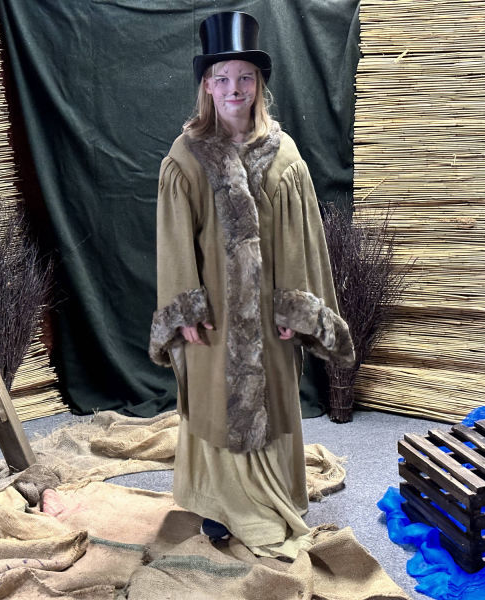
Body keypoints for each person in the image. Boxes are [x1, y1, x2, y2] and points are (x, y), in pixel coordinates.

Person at [149, 11, 355, 559]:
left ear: (259, 84)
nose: (233, 89)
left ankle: (269, 496)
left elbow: (299, 240)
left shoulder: (282, 155)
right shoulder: (187, 156)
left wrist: (296, 309)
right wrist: (185, 308)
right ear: (206, 86)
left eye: (244, 77)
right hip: (214, 314)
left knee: (271, 397)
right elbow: (175, 240)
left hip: (267, 316)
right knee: (215, 399)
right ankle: (218, 501)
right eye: (222, 78)